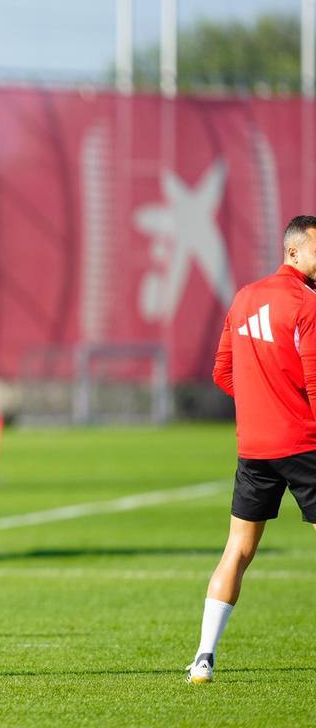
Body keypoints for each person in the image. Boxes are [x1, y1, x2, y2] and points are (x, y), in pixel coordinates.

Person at [187, 214, 316, 683]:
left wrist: (264, 400)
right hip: (303, 443)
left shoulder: (244, 297)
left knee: (237, 551)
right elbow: (314, 382)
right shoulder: (305, 302)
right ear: (294, 252)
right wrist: (285, 403)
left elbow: (222, 372)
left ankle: (203, 657)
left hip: (255, 447)